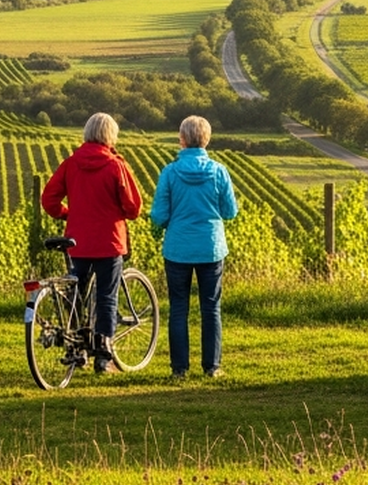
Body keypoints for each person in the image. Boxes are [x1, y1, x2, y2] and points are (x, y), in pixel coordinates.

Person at [42, 112, 143, 374]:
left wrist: (67, 213)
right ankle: (103, 355)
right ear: (111, 136)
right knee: (106, 296)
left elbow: (49, 200)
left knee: (76, 292)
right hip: (109, 242)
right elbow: (133, 207)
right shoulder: (115, 165)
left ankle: (76, 345)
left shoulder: (71, 164)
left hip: (77, 242)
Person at [150, 115, 240, 380]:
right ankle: (212, 367)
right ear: (207, 140)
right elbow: (230, 211)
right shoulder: (219, 171)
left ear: (182, 140)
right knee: (210, 307)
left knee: (179, 308)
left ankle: (179, 369)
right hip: (210, 248)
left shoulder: (169, 172)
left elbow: (158, 215)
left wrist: (171, 221)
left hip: (177, 248)